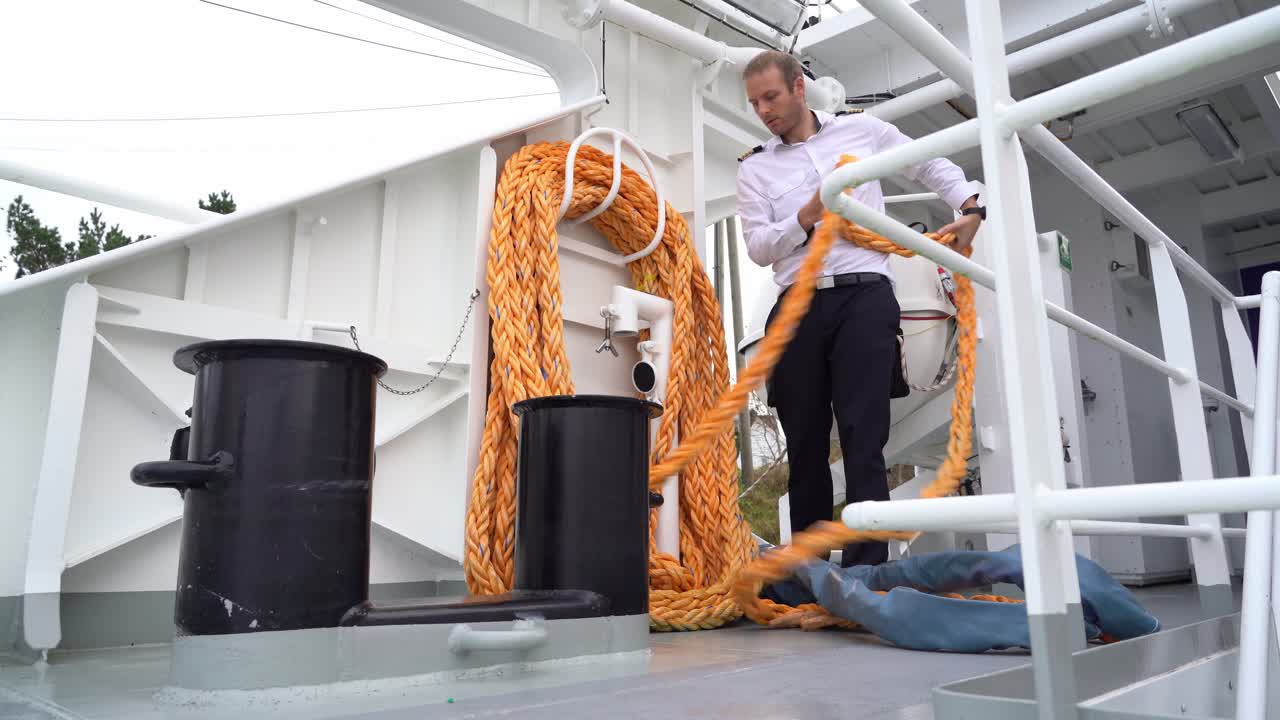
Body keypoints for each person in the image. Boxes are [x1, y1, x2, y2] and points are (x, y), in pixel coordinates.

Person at [736, 50, 984, 567]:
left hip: (865, 294)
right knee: (804, 445)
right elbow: (759, 247)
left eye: (772, 97)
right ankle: (807, 571)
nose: (764, 110)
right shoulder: (755, 169)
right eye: (755, 102)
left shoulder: (864, 133)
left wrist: (970, 207)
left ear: (798, 88)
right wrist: (805, 216)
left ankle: (868, 571)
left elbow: (930, 164)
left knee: (862, 435)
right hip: (798, 301)